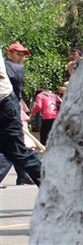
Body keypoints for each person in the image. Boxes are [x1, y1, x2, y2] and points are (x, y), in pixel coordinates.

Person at [0, 51, 41, 186]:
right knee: (14, 151)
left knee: (18, 151)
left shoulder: (15, 68)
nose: (21, 57)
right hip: (7, 104)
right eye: (18, 54)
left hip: (3, 105)